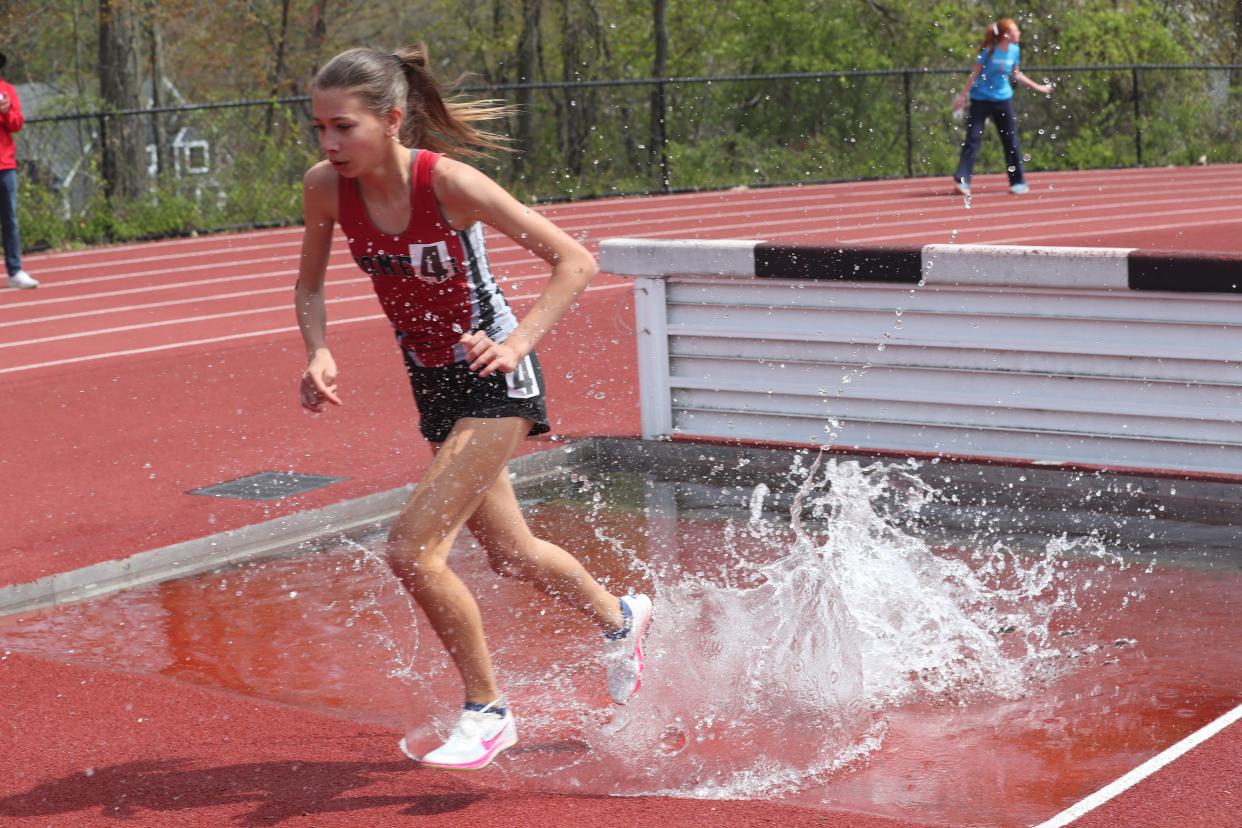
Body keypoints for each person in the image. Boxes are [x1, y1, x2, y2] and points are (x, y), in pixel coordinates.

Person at [294, 44, 654, 771]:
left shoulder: (451, 183)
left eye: (344, 128)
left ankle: (488, 711)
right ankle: (623, 618)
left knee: (412, 549)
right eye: (320, 130)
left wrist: (517, 343)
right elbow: (309, 287)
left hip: (496, 381)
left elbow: (574, 260)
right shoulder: (327, 190)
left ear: (392, 120)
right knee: (510, 554)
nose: (330, 144)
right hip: (434, 384)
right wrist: (319, 351)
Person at [951, 18, 1053, 196]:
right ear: (1006, 35)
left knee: (1010, 140)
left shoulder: (1015, 50)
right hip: (980, 100)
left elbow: (1016, 75)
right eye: (1015, 30)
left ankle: (1018, 182)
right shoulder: (988, 52)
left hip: (1003, 100)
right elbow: (974, 75)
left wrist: (1039, 87)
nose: (1019, 33)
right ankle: (963, 181)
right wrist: (962, 96)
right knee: (973, 139)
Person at [0, 51, 36, 289]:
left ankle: (15, 270)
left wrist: (5, 111)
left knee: (9, 219)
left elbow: (17, 124)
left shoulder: (8, 90)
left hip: (5, 164)